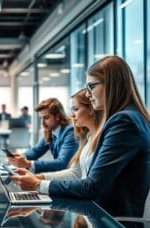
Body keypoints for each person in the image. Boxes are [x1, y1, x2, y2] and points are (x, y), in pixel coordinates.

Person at [10, 56, 150, 217]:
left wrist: (38, 185)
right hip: (106, 215)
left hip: (116, 223)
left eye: (91, 86)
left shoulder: (123, 121)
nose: (89, 95)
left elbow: (91, 187)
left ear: (112, 84)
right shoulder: (128, 118)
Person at [36, 89, 102, 181]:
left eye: (75, 109)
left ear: (91, 109)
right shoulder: (87, 137)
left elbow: (63, 164)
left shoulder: (70, 131)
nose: (72, 115)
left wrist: (39, 182)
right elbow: (76, 173)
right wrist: (38, 178)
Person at [8, 98, 78, 173]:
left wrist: (29, 164)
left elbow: (62, 163)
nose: (42, 123)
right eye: (41, 118)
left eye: (46, 118)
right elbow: (36, 151)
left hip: (72, 177)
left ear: (58, 116)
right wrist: (20, 157)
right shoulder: (50, 130)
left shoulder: (70, 132)